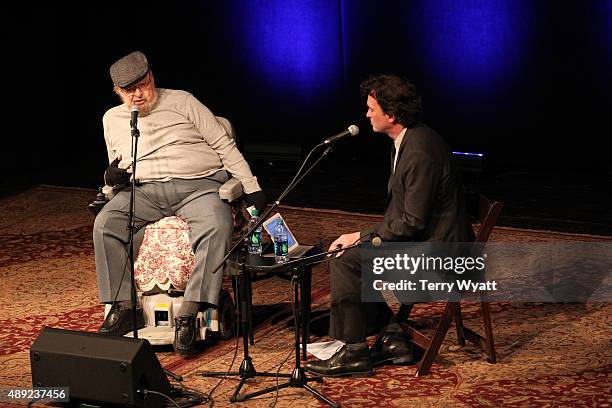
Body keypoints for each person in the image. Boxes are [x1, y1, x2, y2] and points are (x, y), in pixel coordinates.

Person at [93, 51, 266, 355]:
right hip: (144, 190)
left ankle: (189, 311)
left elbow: (223, 145)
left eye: (142, 85)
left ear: (151, 79)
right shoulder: (112, 118)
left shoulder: (183, 102)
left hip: (197, 185)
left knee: (216, 222)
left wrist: (251, 186)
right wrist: (110, 178)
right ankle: (123, 306)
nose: (138, 95)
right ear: (117, 92)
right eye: (128, 90)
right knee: (106, 224)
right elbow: (115, 165)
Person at [304, 74, 474, 377]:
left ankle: (355, 352)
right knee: (354, 253)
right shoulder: (406, 140)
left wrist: (361, 236)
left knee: (347, 260)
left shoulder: (420, 150)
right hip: (428, 241)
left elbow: (412, 221)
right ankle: (392, 336)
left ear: (392, 114)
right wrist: (367, 239)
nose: (367, 114)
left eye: (372, 108)